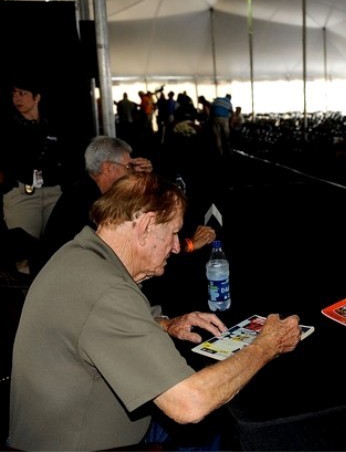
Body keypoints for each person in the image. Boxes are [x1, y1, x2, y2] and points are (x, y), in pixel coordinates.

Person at [8, 172, 303, 450]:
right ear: (146, 225)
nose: (177, 247)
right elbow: (190, 404)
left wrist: (163, 323)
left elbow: (91, 321)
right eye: (174, 233)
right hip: (92, 444)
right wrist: (266, 345)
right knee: (220, 430)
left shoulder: (79, 255)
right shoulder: (107, 291)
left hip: (55, 432)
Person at [40, 136, 215, 269]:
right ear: (108, 167)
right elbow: (140, 253)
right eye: (128, 166)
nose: (131, 172)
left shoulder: (85, 189)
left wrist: (146, 177)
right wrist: (190, 245)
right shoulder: (88, 202)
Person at [0, 78, 76, 275]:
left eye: (22, 93)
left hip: (53, 192)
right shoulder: (8, 126)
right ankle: (27, 299)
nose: (17, 98)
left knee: (59, 247)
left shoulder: (53, 124)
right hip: (23, 193)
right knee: (23, 253)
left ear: (37, 97)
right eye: (14, 94)